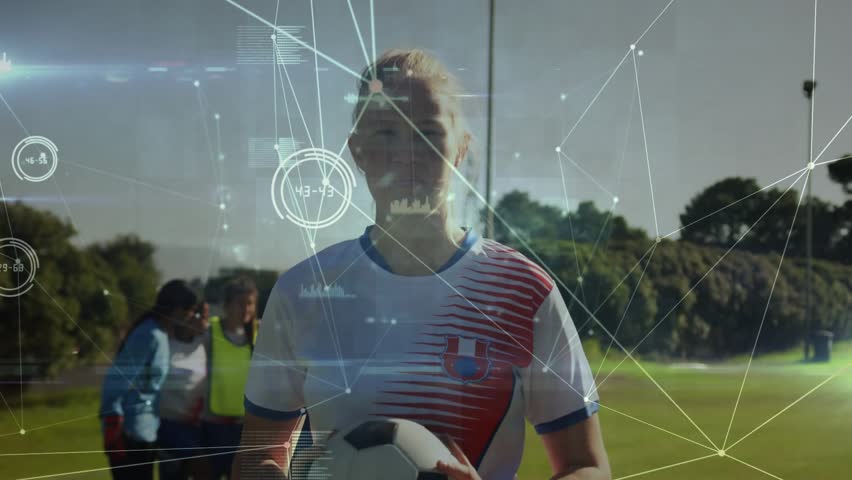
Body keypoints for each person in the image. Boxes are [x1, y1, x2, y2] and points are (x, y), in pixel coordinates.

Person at [233, 49, 611, 480]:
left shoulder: (522, 290)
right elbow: (256, 455)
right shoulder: (303, 291)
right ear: (357, 149)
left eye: (428, 134)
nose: (408, 156)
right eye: (386, 133)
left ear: (461, 149)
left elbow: (587, 466)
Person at [100, 279, 201, 480]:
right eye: (190, 310)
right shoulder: (148, 334)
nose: (191, 316)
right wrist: (113, 427)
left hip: (147, 432)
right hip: (129, 435)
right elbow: (117, 381)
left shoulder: (161, 334)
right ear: (178, 309)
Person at [201, 276, 259, 479]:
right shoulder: (208, 333)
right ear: (226, 306)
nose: (246, 309)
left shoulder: (258, 336)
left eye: (250, 304)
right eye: (240, 304)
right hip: (212, 427)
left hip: (246, 428)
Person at [157, 301, 210, 480]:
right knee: (198, 467)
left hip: (198, 425)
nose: (202, 322)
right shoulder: (166, 342)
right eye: (198, 316)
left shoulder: (205, 342)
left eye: (205, 318)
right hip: (168, 423)